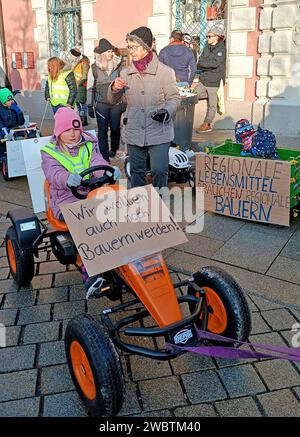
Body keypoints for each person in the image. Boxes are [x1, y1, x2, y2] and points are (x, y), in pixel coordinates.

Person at [41, 107, 121, 296]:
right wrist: (66, 178)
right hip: (65, 199)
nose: (73, 134)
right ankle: (90, 273)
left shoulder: (88, 143)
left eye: (76, 129)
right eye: (67, 130)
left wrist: (109, 171)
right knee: (86, 224)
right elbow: (53, 173)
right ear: (59, 132)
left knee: (119, 211)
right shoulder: (49, 152)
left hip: (91, 194)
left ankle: (129, 254)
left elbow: (96, 162)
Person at [107, 26, 180, 190]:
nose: (130, 51)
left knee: (159, 170)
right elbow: (113, 100)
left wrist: (166, 111)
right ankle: (139, 206)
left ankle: (159, 201)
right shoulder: (125, 73)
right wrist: (114, 88)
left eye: (134, 47)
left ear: (147, 47)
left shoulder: (165, 72)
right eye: (129, 47)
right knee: (136, 171)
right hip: (134, 129)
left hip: (158, 129)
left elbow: (174, 98)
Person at [87, 38, 123, 161]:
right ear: (102, 53)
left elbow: (124, 83)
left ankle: (113, 149)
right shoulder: (94, 68)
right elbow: (90, 88)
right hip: (101, 104)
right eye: (108, 51)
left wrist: (124, 101)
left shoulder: (118, 66)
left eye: (111, 51)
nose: (111, 54)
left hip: (116, 103)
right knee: (102, 131)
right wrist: (89, 105)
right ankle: (104, 156)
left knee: (115, 128)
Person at [195, 25, 226, 133]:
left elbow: (215, 63)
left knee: (212, 105)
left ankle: (207, 124)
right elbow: (200, 62)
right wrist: (205, 64)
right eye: (207, 36)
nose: (207, 38)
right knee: (193, 96)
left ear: (216, 37)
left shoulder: (221, 48)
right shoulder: (206, 47)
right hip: (203, 79)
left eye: (209, 36)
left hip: (214, 81)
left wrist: (204, 64)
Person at [70, 47, 90, 126]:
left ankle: (83, 120)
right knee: (78, 104)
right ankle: (80, 119)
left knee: (82, 104)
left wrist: (78, 85)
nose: (71, 56)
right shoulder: (77, 62)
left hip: (81, 86)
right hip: (77, 85)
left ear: (75, 55)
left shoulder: (83, 63)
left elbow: (84, 76)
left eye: (72, 55)